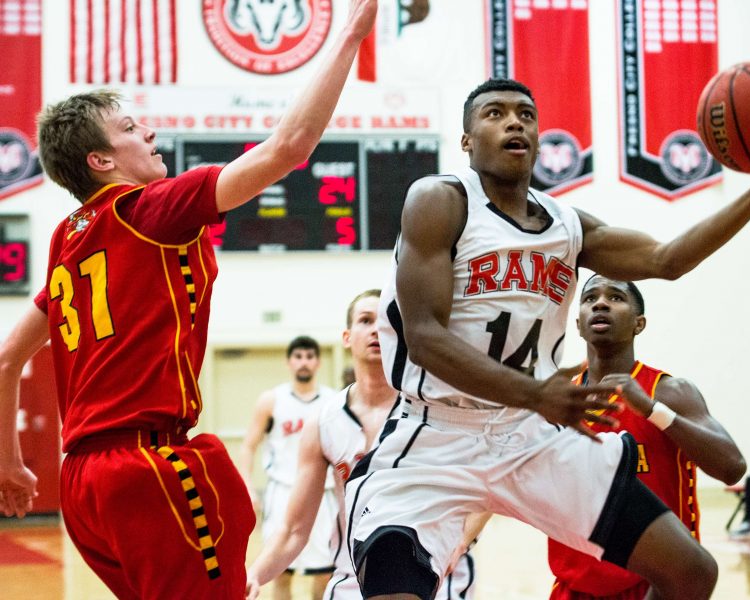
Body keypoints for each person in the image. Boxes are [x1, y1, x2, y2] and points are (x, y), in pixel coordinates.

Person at [344, 77, 750, 600]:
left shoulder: (566, 225)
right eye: (495, 114)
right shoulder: (440, 200)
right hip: (436, 436)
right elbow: (425, 337)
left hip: (528, 435)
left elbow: (667, 260)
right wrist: (536, 393)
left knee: (692, 573)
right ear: (467, 141)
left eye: (525, 113)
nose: (514, 121)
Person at [0, 2, 377, 598]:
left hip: (80, 483)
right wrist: (352, 34)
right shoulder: (149, 210)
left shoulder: (66, 239)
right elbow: (290, 146)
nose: (147, 132)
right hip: (147, 465)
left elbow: (5, 358)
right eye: (128, 129)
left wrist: (10, 461)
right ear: (100, 162)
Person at [245, 290, 486, 600]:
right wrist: (253, 575)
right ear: (347, 337)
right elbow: (294, 530)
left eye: (385, 320)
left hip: (433, 576)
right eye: (365, 320)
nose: (375, 329)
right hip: (353, 579)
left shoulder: (439, 407)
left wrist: (463, 539)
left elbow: (486, 484)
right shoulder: (324, 421)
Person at [547, 275, 746, 600]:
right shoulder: (557, 399)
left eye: (615, 297)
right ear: (579, 324)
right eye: (590, 298)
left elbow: (732, 467)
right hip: (573, 587)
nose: (600, 303)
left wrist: (652, 410)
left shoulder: (668, 391)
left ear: (639, 324)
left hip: (652, 588)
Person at [238, 336, 337, 600]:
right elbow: (248, 446)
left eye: (309, 357)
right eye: (298, 357)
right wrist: (248, 487)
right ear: (288, 362)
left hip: (323, 495)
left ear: (317, 362)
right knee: (281, 571)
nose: (304, 362)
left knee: (325, 573)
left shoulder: (332, 401)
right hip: (283, 492)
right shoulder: (271, 400)